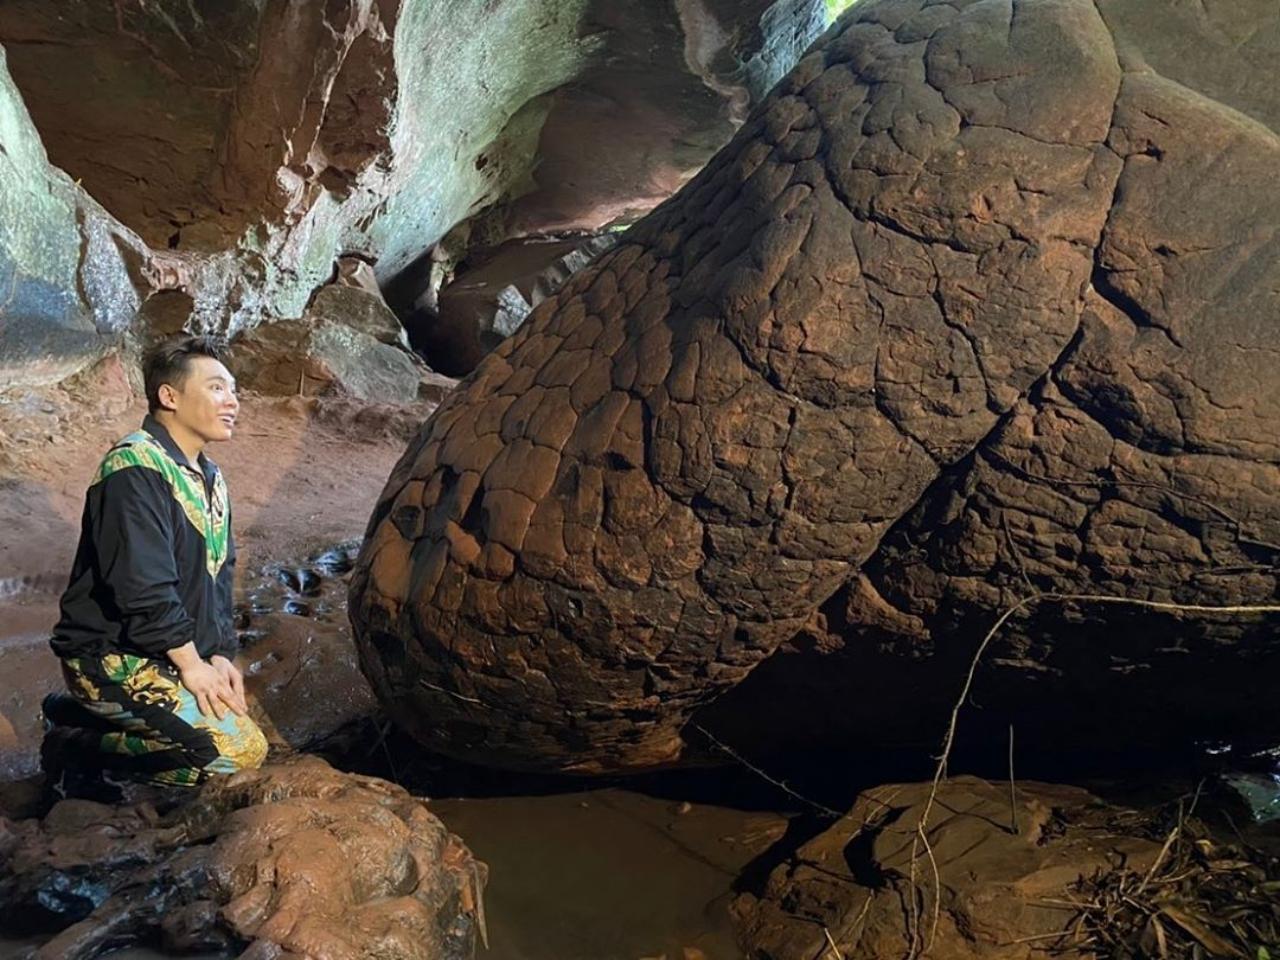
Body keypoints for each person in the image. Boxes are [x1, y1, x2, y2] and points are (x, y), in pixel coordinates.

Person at [43, 334, 268, 795]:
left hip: (164, 650)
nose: (233, 402)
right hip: (112, 657)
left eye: (234, 390)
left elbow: (219, 575)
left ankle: (74, 715)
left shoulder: (210, 476)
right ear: (170, 396)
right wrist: (190, 665)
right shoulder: (134, 469)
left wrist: (219, 654)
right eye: (217, 388)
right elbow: (142, 586)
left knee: (241, 726)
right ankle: (76, 746)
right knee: (236, 753)